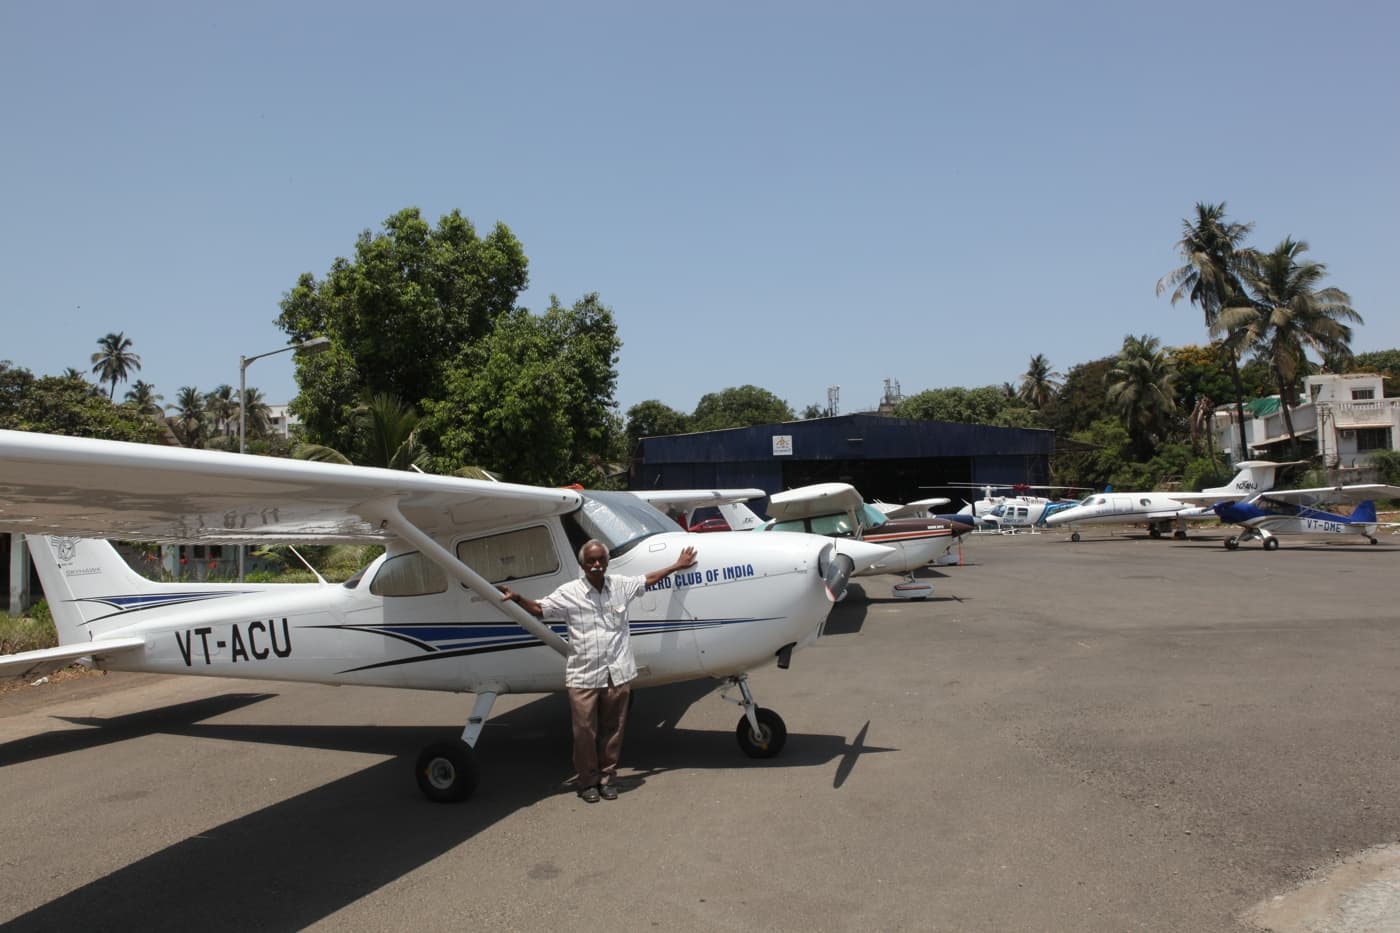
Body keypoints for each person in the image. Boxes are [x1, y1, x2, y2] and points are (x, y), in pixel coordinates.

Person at [500, 538, 698, 802]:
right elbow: (540, 609)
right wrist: (517, 598)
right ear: (582, 564)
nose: (596, 565)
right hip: (583, 674)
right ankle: (587, 782)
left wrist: (677, 565)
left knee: (613, 730)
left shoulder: (620, 585)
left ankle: (607, 778)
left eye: (600, 560)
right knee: (584, 731)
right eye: (590, 561)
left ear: (606, 562)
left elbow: (648, 579)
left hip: (617, 672)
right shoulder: (569, 592)